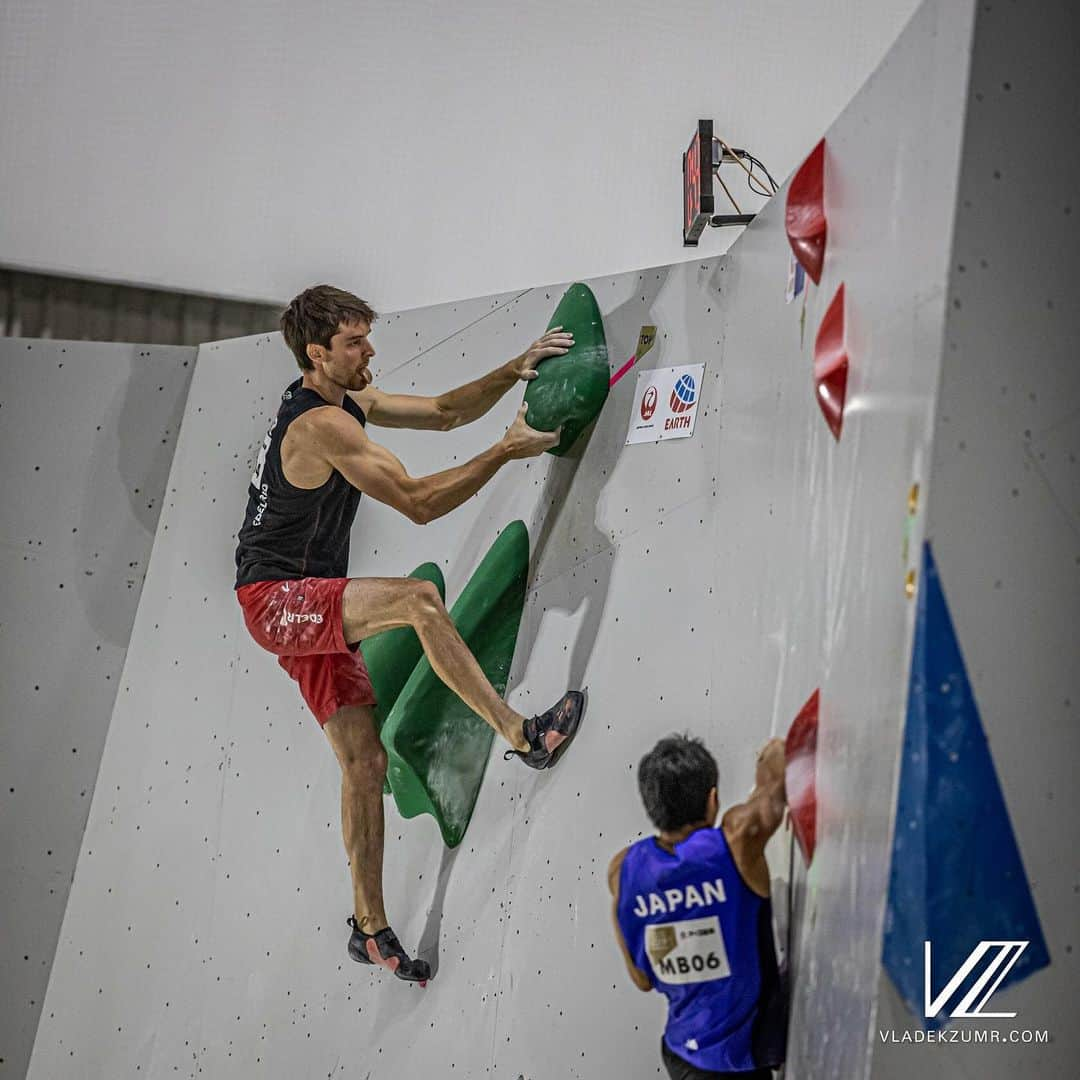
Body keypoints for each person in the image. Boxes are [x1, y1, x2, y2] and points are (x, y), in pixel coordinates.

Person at [234, 285, 586, 984]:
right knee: (421, 600)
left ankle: (368, 930)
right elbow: (422, 504)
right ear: (317, 354)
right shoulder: (320, 427)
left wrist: (515, 366)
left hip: (301, 598)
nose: (371, 353)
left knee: (363, 765)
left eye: (368, 337)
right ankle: (521, 734)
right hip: (277, 602)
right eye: (355, 344)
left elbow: (445, 412)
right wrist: (506, 452)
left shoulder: (346, 401)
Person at [608, 735, 788, 1079]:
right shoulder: (736, 841)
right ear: (713, 799)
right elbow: (777, 782)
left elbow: (642, 979)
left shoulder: (622, 872)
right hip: (740, 1056)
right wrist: (769, 754)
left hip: (681, 1056)